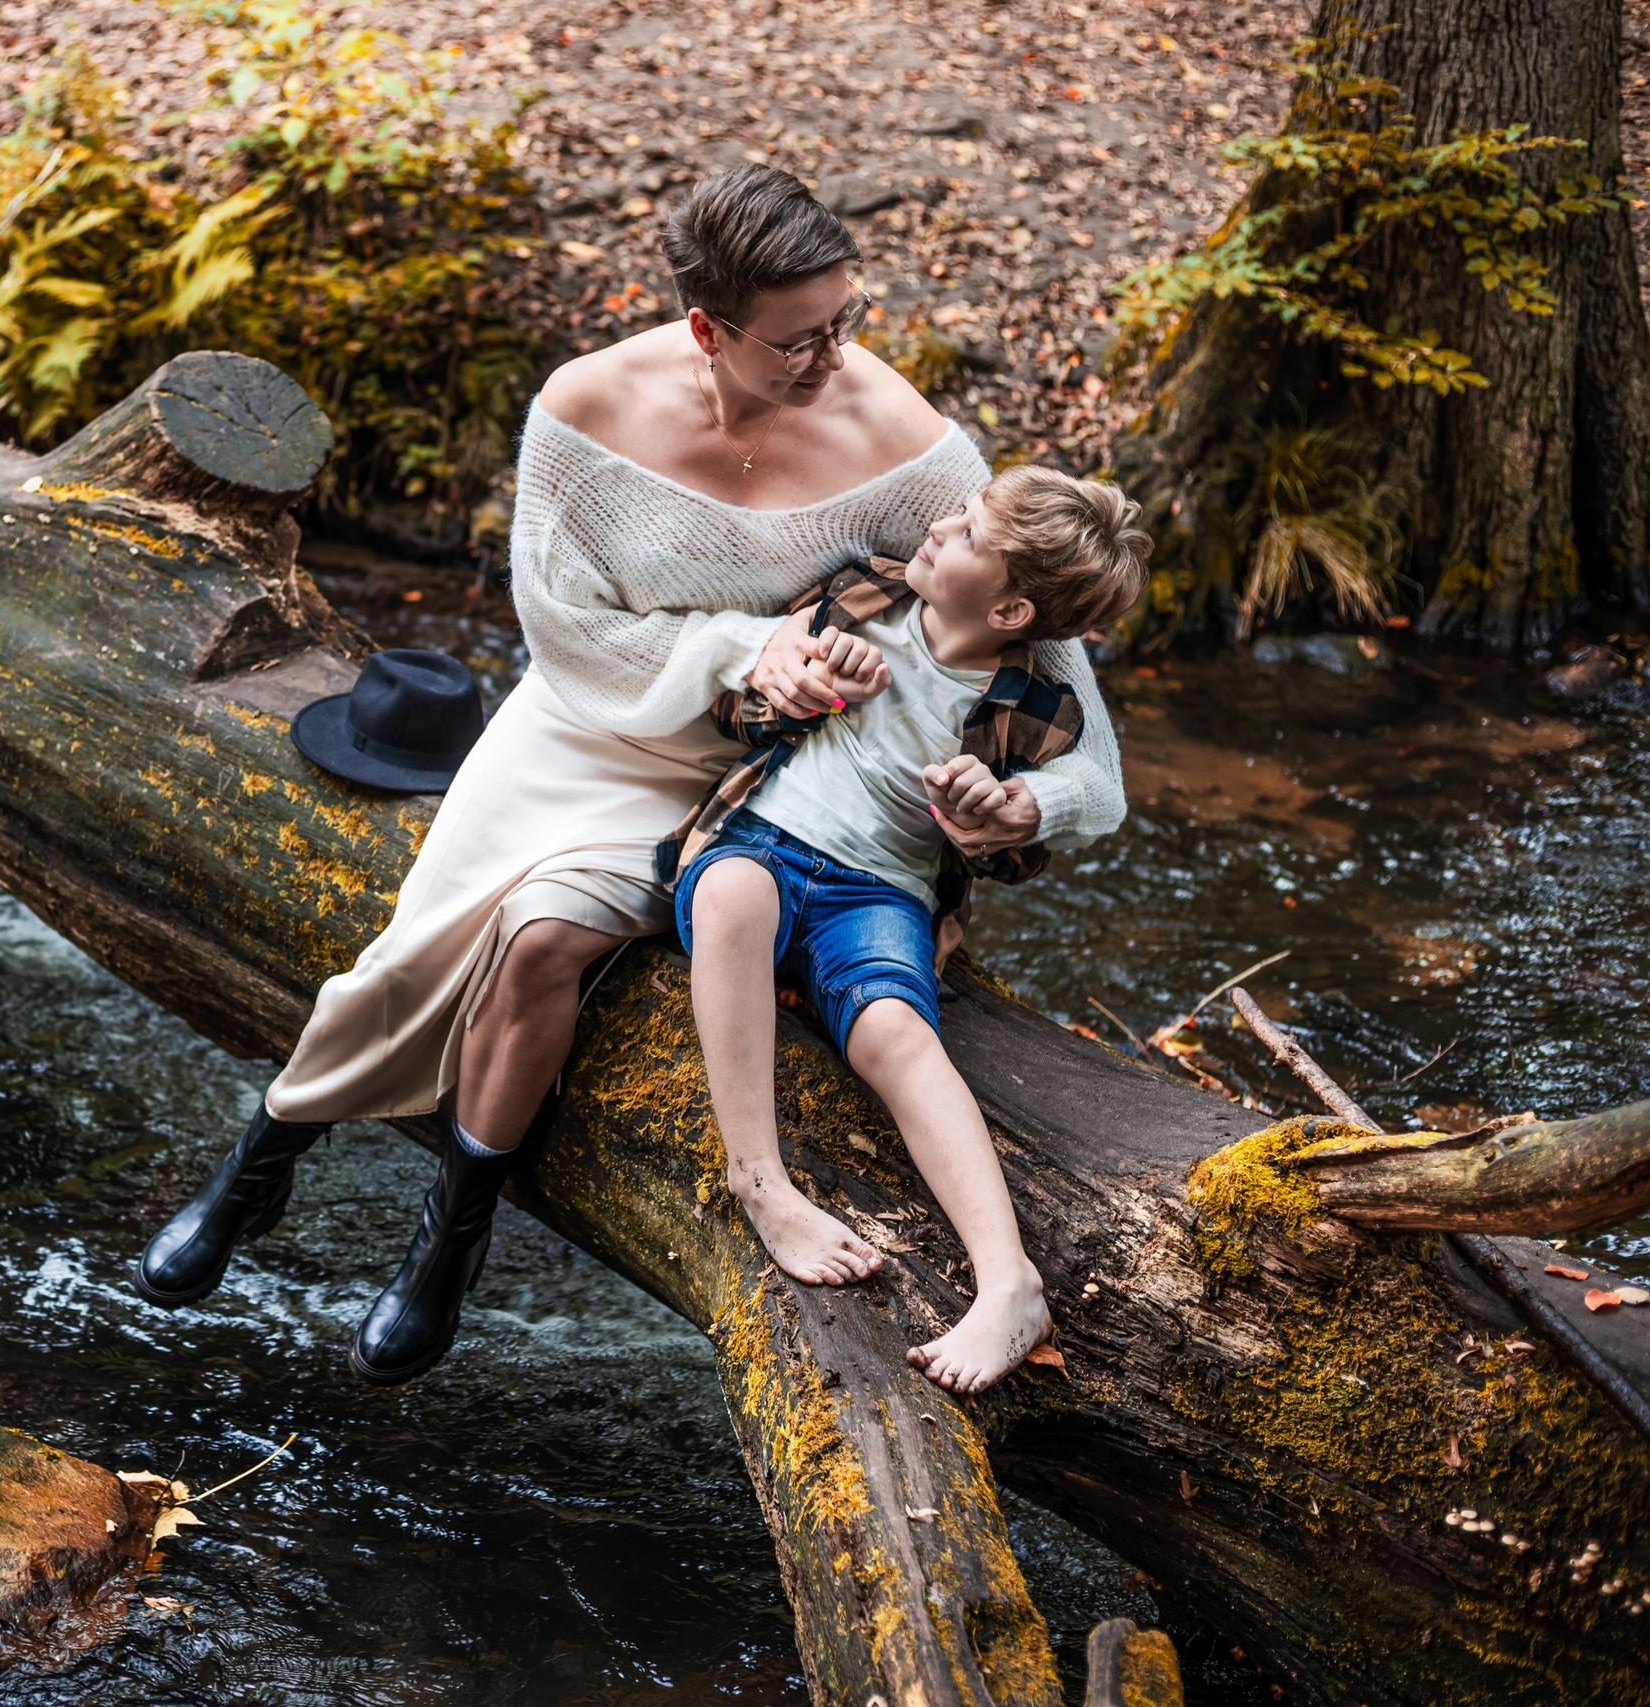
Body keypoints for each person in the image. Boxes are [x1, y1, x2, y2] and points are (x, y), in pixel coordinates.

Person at [132, 164, 1126, 1385]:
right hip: (592, 718)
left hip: (757, 775)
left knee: (543, 941)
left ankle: (449, 1241)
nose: (831, 359)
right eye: (796, 340)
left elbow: (1058, 677)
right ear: (706, 326)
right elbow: (561, 629)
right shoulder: (582, 409)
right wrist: (742, 649)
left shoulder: (912, 444)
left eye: (844, 322)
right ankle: (262, 1166)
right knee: (416, 943)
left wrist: (1026, 799)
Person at [674, 469, 1149, 1394]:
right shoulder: (857, 597)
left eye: (968, 534)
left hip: (881, 893)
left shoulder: (1033, 711)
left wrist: (992, 805)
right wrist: (808, 685)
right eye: (960, 515)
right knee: (731, 894)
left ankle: (1009, 1280)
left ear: (1012, 609)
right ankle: (759, 1183)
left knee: (896, 1030)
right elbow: (737, 707)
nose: (938, 525)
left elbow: (1016, 852)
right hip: (763, 839)